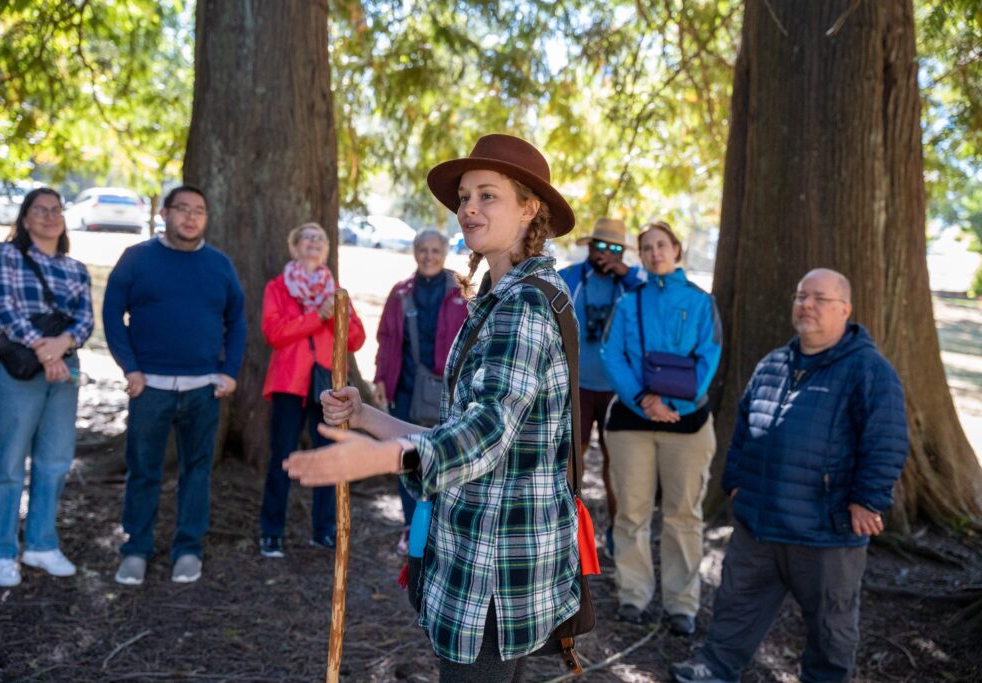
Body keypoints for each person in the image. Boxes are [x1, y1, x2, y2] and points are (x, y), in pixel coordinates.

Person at [284, 134, 581, 681]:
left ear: (529, 208)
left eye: (488, 195)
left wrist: (382, 458)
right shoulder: (497, 296)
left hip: (494, 568)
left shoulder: (522, 304)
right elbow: (462, 426)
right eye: (465, 196)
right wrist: (369, 419)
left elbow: (488, 435)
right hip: (483, 555)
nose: (468, 208)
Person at [671, 269, 909, 683]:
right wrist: (736, 483)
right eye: (801, 296)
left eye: (819, 298)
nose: (807, 305)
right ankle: (716, 667)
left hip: (824, 528)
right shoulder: (774, 362)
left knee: (830, 624)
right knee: (737, 602)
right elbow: (744, 429)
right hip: (759, 519)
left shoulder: (868, 370)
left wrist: (867, 499)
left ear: (845, 310)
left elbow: (886, 439)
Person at [102, 185, 246, 586]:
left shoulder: (220, 265)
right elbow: (112, 314)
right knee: (144, 469)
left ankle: (188, 548)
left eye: (198, 210)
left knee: (196, 471)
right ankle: (135, 549)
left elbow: (237, 320)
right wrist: (129, 368)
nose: (190, 216)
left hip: (204, 388)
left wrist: (229, 370)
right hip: (149, 387)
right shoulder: (137, 259)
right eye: (182, 208)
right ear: (165, 213)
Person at [600, 220, 722, 636]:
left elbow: (709, 356)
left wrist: (672, 403)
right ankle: (633, 594)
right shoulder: (629, 301)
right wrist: (644, 400)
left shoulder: (702, 302)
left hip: (687, 425)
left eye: (661, 245)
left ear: (677, 250)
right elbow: (611, 355)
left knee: (683, 516)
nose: (655, 253)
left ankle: (681, 604)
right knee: (631, 514)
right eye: (647, 247)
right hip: (632, 424)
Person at [0, 188, 94, 587]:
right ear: (26, 219)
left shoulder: (76, 269)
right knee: (10, 461)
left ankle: (42, 544)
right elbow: (5, 310)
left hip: (65, 371)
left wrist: (62, 348)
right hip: (22, 369)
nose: (49, 217)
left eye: (55, 210)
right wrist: (46, 352)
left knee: (55, 460)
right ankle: (0, 549)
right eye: (39, 210)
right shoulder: (7, 255)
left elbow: (85, 321)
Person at [258, 222, 366, 557]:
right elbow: (274, 333)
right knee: (282, 457)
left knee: (329, 456)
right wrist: (315, 316)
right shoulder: (277, 288)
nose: (313, 243)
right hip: (289, 384)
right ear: (293, 248)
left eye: (319, 239)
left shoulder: (337, 291)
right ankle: (271, 532)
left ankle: (324, 530)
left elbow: (356, 340)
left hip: (327, 386)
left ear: (326, 250)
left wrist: (334, 315)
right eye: (305, 238)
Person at [372, 228, 468, 554]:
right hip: (406, 387)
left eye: (435, 250)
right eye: (422, 250)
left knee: (445, 458)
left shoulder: (461, 292)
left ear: (444, 253)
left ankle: (442, 530)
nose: (429, 256)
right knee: (408, 459)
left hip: (448, 392)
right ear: (415, 252)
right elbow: (386, 339)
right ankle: (411, 526)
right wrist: (381, 379)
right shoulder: (401, 293)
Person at [558, 217, 644, 556]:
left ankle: (616, 534)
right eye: (600, 247)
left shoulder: (630, 284)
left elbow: (651, 298)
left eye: (614, 249)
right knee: (570, 462)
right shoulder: (571, 278)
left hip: (616, 390)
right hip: (576, 386)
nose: (605, 255)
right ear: (589, 247)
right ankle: (565, 533)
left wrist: (626, 273)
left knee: (616, 463)